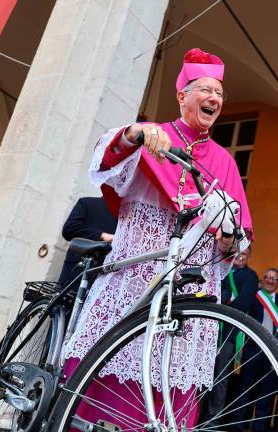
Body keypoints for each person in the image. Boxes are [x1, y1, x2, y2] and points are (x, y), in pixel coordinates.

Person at [59, 48, 252, 428]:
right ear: (182, 95)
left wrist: (230, 238)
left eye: (220, 93)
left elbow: (237, 239)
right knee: (104, 370)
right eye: (205, 89)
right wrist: (136, 133)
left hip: (185, 293)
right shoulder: (155, 135)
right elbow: (108, 154)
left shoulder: (225, 163)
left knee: (167, 383)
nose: (214, 98)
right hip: (133, 281)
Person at [199, 245, 258, 427]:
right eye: (238, 253)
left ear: (249, 257)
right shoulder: (221, 271)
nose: (241, 256)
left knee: (220, 377)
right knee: (201, 375)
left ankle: (212, 420)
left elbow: (243, 302)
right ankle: (195, 417)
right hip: (209, 331)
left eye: (245, 254)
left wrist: (222, 303)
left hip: (229, 333)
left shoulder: (250, 276)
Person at [229, 268, 278, 431]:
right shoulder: (253, 298)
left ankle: (260, 427)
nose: (270, 281)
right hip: (251, 350)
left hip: (271, 354)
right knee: (244, 391)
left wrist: (273, 344)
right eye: (267, 277)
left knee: (265, 395)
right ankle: (237, 425)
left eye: (274, 279)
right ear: (262, 280)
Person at [56, 196, 117, 288]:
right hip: (76, 272)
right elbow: (69, 229)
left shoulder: (127, 218)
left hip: (104, 279)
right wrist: (102, 235)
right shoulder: (87, 203)